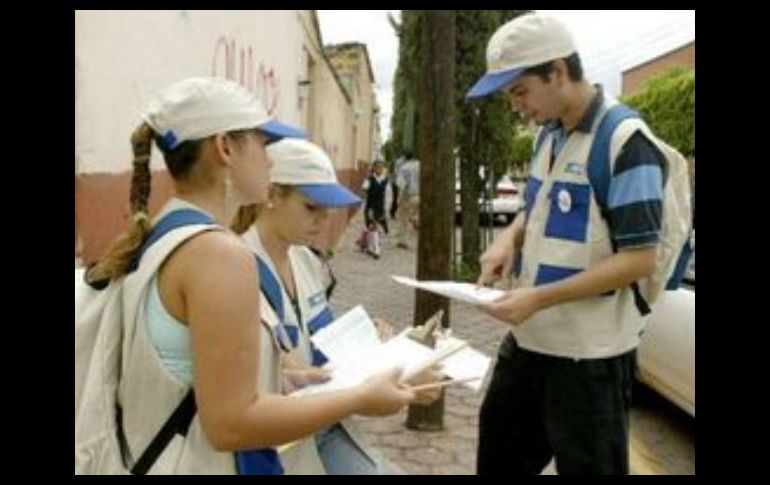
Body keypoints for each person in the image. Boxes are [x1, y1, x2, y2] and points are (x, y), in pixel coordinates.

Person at [83, 77, 425, 474]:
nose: (269, 159)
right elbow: (230, 424)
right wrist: (359, 398)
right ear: (225, 147)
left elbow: (200, 379)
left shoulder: (167, 232)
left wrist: (307, 381)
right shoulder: (220, 255)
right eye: (263, 144)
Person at [467, 14, 667, 475]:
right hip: (530, 342)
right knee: (497, 460)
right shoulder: (548, 135)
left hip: (589, 361)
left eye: (519, 92)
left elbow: (639, 259)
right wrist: (507, 239)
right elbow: (534, 207)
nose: (516, 107)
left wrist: (539, 297)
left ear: (557, 71)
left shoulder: (626, 143)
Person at [231, 138, 441, 474]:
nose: (323, 220)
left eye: (327, 209)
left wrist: (369, 342)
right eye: (311, 207)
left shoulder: (306, 260)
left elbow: (319, 340)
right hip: (274, 449)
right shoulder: (234, 270)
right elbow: (274, 378)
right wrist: (367, 389)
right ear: (271, 195)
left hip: (324, 428)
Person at [394, 152, 420, 250]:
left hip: (408, 196)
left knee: (404, 219)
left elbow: (401, 184)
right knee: (415, 216)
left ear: (405, 158)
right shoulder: (420, 165)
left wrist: (399, 200)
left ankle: (404, 241)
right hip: (420, 195)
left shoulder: (404, 168)